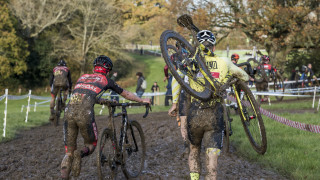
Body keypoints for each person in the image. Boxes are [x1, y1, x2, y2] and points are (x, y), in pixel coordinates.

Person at [168, 30, 249, 180]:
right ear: (213, 46)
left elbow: (176, 79)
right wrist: (229, 77)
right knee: (212, 158)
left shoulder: (191, 63)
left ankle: (194, 178)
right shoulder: (224, 61)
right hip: (214, 113)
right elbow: (245, 76)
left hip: (195, 113)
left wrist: (174, 103)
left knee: (193, 150)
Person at [60, 55, 151, 179]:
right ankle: (80, 153)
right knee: (91, 145)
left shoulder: (83, 77)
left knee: (69, 152)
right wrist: (141, 100)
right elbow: (127, 94)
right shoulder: (106, 80)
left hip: (68, 112)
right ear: (108, 71)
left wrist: (101, 100)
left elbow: (85, 94)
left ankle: (64, 176)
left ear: (94, 68)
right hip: (84, 114)